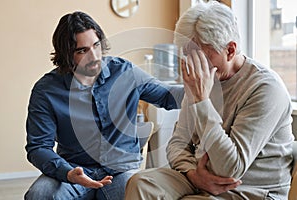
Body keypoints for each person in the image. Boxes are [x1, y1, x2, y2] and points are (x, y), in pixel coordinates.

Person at [125, 1, 294, 199]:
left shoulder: (265, 89)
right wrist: (193, 175)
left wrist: (201, 100)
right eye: (188, 55)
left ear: (230, 50)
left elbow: (231, 168)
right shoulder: (201, 79)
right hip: (199, 179)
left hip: (247, 190)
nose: (193, 66)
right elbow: (178, 143)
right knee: (140, 183)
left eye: (201, 57)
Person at [24, 11, 184, 200]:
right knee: (39, 195)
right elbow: (38, 146)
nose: (94, 56)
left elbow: (168, 97)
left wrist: (203, 85)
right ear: (66, 54)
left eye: (96, 45)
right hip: (74, 171)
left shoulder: (125, 72)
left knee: (137, 192)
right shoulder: (46, 90)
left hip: (121, 170)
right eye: (82, 51)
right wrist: (68, 173)